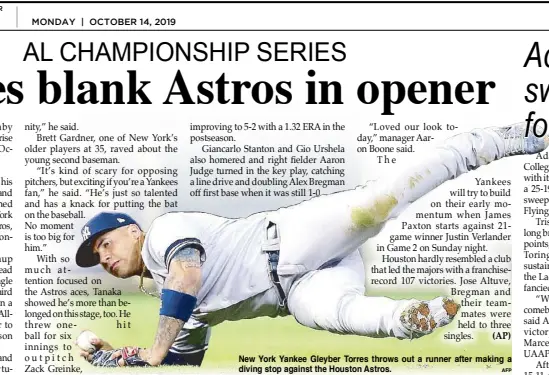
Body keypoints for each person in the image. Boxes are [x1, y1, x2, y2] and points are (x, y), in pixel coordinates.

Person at [75, 122, 548, 367]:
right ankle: (409, 318)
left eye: (105, 243)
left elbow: (187, 275)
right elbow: (187, 357)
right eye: (96, 257)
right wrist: (125, 355)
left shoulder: (161, 234)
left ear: (132, 229)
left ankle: (490, 142)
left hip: (290, 238)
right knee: (333, 314)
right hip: (295, 291)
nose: (105, 257)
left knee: (376, 204)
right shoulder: (166, 299)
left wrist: (154, 349)